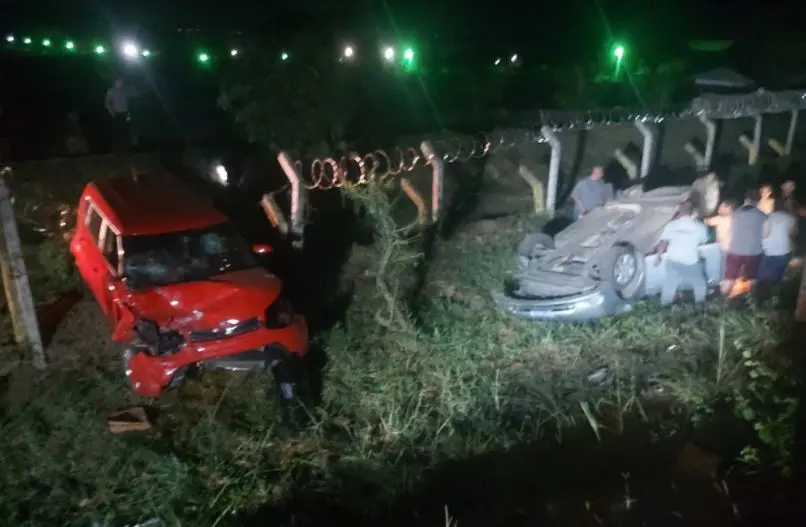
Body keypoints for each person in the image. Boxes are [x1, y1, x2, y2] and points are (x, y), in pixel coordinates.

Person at [653, 199, 709, 307]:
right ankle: (700, 306)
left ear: (679, 211)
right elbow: (704, 240)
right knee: (699, 284)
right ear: (692, 212)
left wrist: (658, 256)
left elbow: (663, 242)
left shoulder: (671, 225)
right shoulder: (700, 227)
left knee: (669, 284)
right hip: (690, 261)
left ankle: (664, 307)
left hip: (673, 260)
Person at [721, 190, 767, 295]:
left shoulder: (734, 214)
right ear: (758, 201)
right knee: (752, 278)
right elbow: (765, 235)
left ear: (746, 200)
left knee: (730, 277)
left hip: (735, 250)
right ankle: (750, 301)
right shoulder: (763, 216)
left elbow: (729, 231)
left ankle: (723, 299)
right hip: (754, 251)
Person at [759, 201, 797, 282]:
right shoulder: (791, 218)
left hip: (769, 252)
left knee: (764, 278)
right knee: (778, 277)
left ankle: (763, 292)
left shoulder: (768, 218)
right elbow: (792, 234)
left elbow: (765, 234)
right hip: (785, 251)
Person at [704, 199, 734, 279]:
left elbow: (706, 221)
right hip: (732, 247)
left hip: (724, 247)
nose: (719, 209)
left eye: (722, 207)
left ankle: (723, 283)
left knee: (723, 266)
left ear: (728, 208)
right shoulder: (734, 218)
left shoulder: (720, 219)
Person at [105, 77, 134, 153]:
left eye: (122, 81)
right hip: (117, 114)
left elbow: (132, 100)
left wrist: (129, 114)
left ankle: (126, 150)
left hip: (125, 113)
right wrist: (112, 113)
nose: (120, 83)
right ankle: (118, 151)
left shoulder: (126, 91)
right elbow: (107, 104)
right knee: (118, 133)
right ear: (115, 82)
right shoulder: (111, 91)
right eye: (119, 81)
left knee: (126, 132)